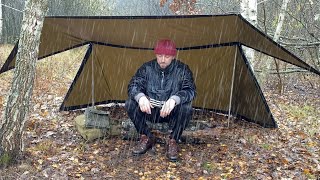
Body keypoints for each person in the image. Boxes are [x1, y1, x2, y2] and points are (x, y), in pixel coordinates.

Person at [125, 39, 196, 161]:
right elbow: (133, 85)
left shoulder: (182, 69)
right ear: (155, 55)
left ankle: (173, 140)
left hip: (171, 113)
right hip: (150, 111)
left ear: (173, 56)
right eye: (160, 55)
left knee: (187, 108)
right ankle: (146, 136)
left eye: (167, 56)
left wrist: (174, 99)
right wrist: (140, 97)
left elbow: (190, 90)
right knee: (130, 103)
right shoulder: (147, 68)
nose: (163, 59)